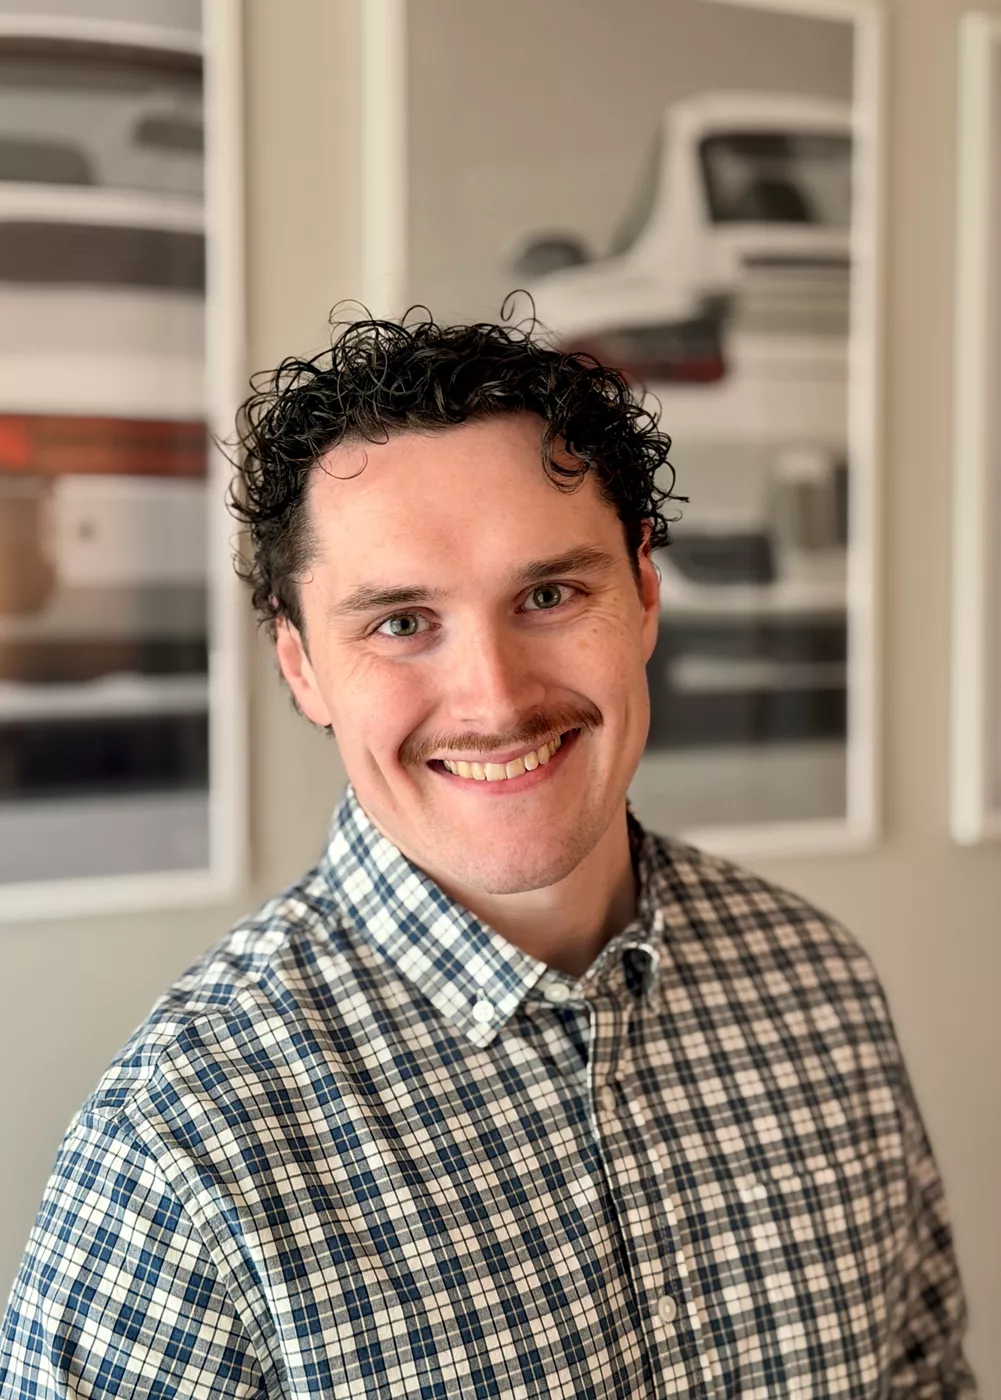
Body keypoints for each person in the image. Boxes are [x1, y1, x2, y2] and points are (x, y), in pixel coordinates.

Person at [0, 315, 976, 1398]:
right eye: (401, 621)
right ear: (302, 665)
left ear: (643, 592)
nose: (498, 699)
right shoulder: (181, 1150)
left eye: (549, 595)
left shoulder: (816, 987)